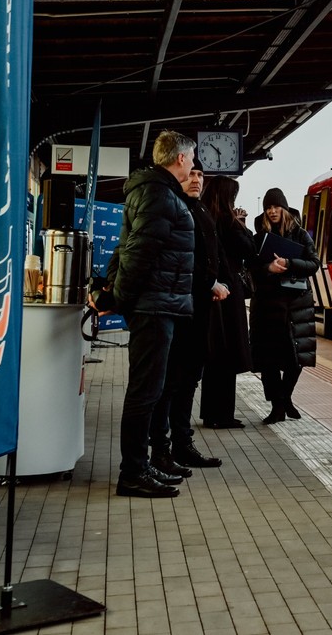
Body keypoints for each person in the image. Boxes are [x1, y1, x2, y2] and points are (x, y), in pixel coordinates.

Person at [111, 130, 197, 498]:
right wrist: (123, 299)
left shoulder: (156, 192)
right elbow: (138, 253)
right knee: (145, 393)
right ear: (179, 159)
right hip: (154, 305)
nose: (193, 165)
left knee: (150, 390)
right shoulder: (159, 195)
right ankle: (132, 472)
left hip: (158, 303)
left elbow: (127, 247)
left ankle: (141, 465)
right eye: (191, 158)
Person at [149, 158, 230, 478]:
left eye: (200, 174)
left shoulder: (200, 210)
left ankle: (182, 444)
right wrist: (208, 283)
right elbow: (172, 260)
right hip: (177, 311)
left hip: (198, 312)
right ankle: (161, 450)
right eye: (191, 173)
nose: (196, 179)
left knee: (188, 382)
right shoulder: (173, 208)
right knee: (169, 384)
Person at [251, 187, 319, 424]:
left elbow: (314, 263)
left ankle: (285, 398)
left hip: (295, 307)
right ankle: (277, 407)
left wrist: (290, 263)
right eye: (268, 208)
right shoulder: (259, 237)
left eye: (275, 207)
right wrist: (268, 268)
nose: (271, 211)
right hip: (268, 307)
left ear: (284, 208)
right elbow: (250, 269)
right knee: (269, 360)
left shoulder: (300, 234)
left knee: (295, 358)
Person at [200, 175, 255, 428]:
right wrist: (242, 222)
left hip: (211, 291)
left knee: (215, 357)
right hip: (228, 293)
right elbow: (248, 248)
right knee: (228, 356)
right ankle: (222, 415)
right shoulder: (227, 221)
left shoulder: (206, 217)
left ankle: (211, 414)